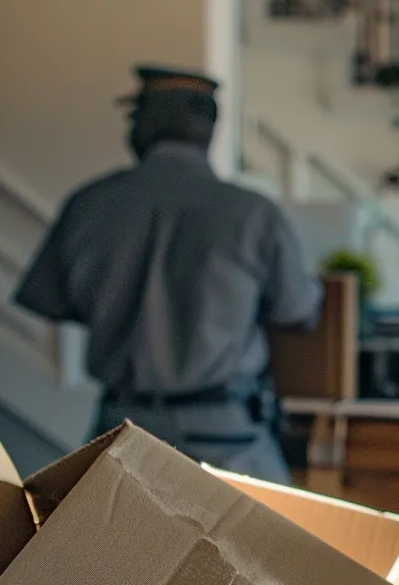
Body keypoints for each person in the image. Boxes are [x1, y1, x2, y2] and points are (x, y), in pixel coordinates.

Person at [11, 65, 322, 483]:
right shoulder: (254, 214)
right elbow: (297, 314)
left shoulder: (89, 204)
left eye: (133, 117)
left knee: (105, 546)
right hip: (228, 438)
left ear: (147, 125)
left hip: (119, 436)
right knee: (276, 546)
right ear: (208, 129)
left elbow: (51, 302)